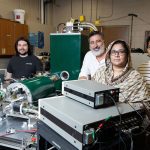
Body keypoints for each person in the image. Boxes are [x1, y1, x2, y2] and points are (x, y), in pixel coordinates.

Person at [93, 40, 150, 106]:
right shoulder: (100, 72)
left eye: (121, 51)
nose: (116, 55)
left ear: (127, 55)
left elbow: (144, 105)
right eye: (113, 52)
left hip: (124, 115)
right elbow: (90, 91)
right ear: (109, 54)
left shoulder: (136, 77)